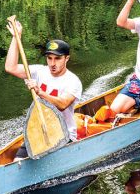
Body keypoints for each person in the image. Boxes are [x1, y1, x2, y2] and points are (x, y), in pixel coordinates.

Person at [5, 20, 82, 159]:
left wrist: (40, 92)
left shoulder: (73, 81)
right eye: (49, 58)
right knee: (18, 161)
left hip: (63, 135)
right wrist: (16, 38)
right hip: (39, 133)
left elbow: (63, 104)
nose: (52, 63)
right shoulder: (39, 71)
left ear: (67, 58)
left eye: (57, 59)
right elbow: (11, 67)